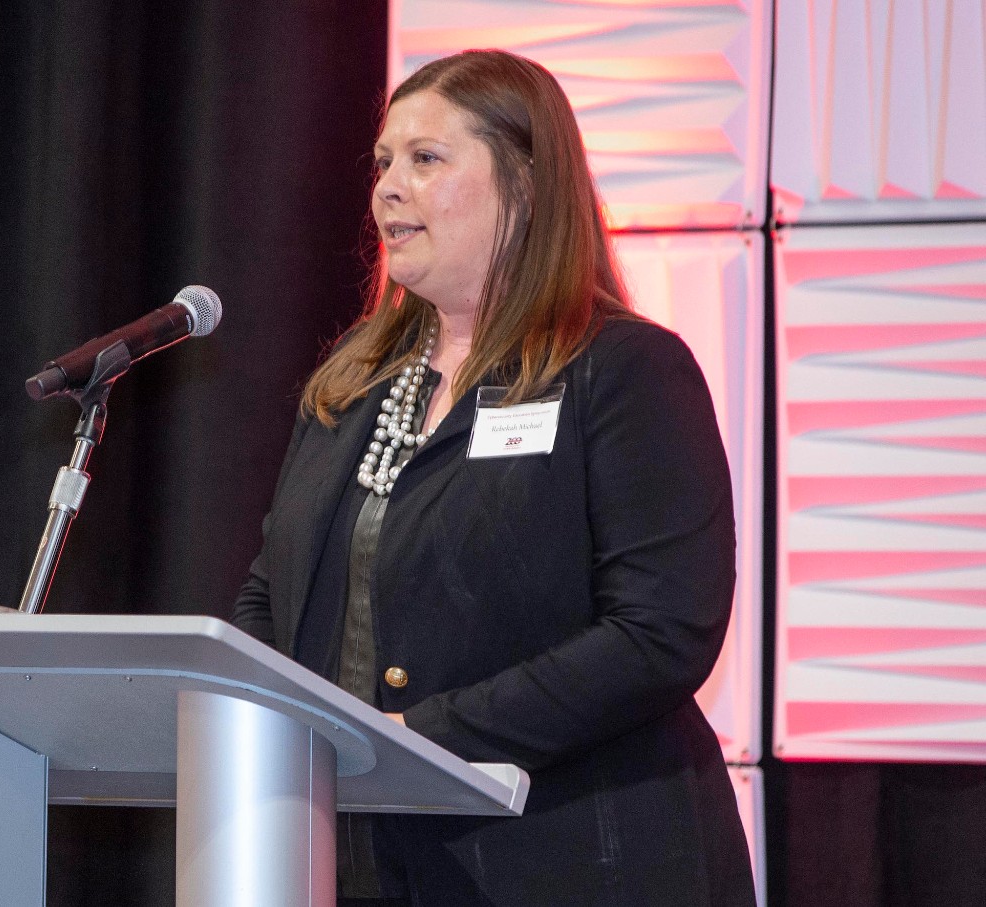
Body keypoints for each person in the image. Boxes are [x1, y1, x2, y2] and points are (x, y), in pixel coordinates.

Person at [232, 49, 756, 906]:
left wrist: (418, 738)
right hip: (365, 857)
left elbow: (662, 630)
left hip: (579, 860)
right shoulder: (352, 382)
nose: (388, 188)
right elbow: (270, 595)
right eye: (384, 162)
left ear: (523, 183)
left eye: (426, 159)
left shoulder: (622, 371)